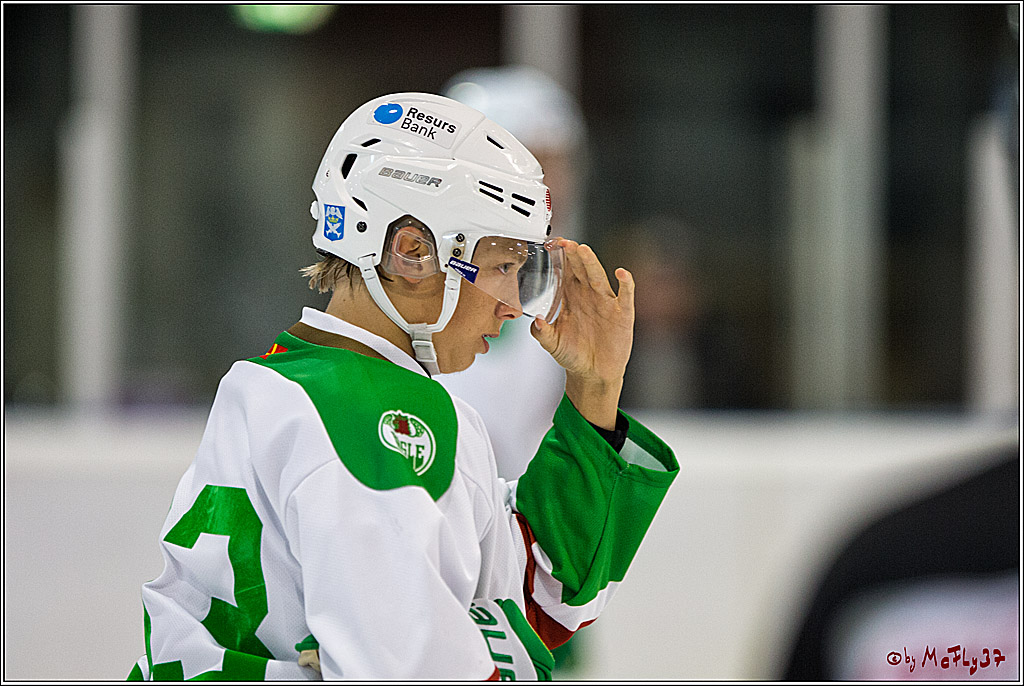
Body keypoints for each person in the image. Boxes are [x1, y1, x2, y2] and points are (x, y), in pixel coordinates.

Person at [129, 92, 679, 680]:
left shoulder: (289, 383)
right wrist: (500, 646)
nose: (514, 307)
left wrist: (593, 393)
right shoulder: (376, 416)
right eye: (500, 267)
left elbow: (534, 594)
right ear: (413, 251)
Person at [435, 66, 588, 481]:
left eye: (557, 165)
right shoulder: (422, 274)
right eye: (533, 166)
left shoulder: (559, 278)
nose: (552, 185)